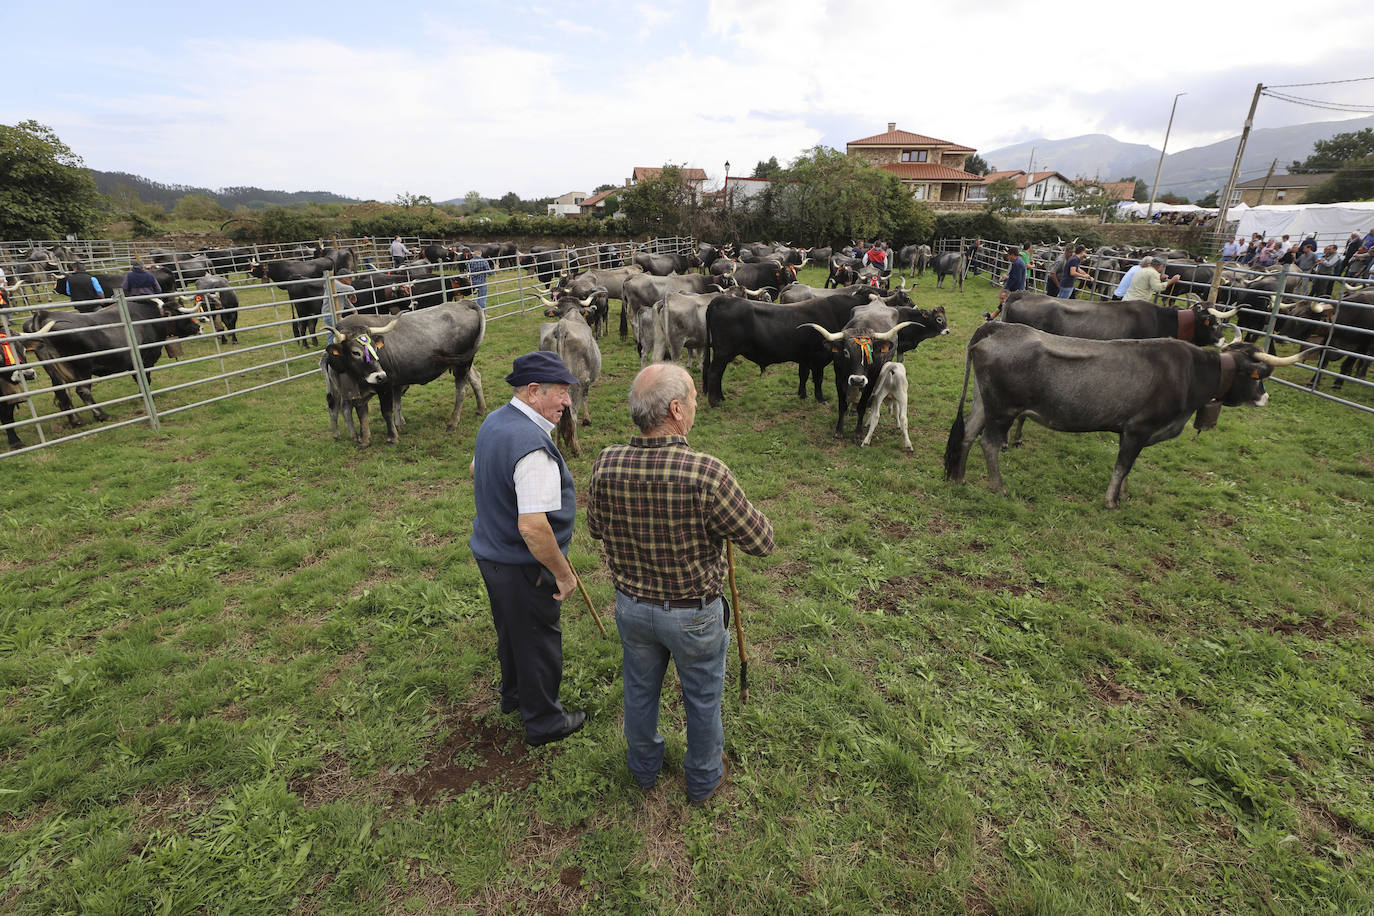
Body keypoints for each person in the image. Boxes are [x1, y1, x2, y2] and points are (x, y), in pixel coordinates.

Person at [586, 364, 774, 805]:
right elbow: (762, 542)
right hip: (694, 614)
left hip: (632, 607)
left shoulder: (606, 462)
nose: (694, 406)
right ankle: (704, 779)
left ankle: (644, 769)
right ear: (675, 409)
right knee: (703, 698)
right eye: (692, 399)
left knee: (639, 689)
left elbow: (595, 527)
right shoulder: (708, 473)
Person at [469, 351, 587, 747]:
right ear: (534, 391)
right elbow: (534, 528)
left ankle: (515, 695)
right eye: (562, 393)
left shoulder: (495, 421)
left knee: (512, 630)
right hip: (522, 564)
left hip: (491, 555)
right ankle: (544, 722)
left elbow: (475, 468)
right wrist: (563, 572)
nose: (568, 402)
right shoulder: (532, 447)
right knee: (538, 638)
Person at [995, 245, 1026, 314]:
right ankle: (992, 317)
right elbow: (1015, 276)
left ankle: (992, 318)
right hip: (1018, 289)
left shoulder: (1017, 263)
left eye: (1008, 256)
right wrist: (1006, 277)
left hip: (1016, 290)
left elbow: (1015, 279)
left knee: (1005, 305)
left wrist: (1006, 289)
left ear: (1012, 255)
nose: (1008, 258)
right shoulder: (1018, 261)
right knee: (1004, 305)